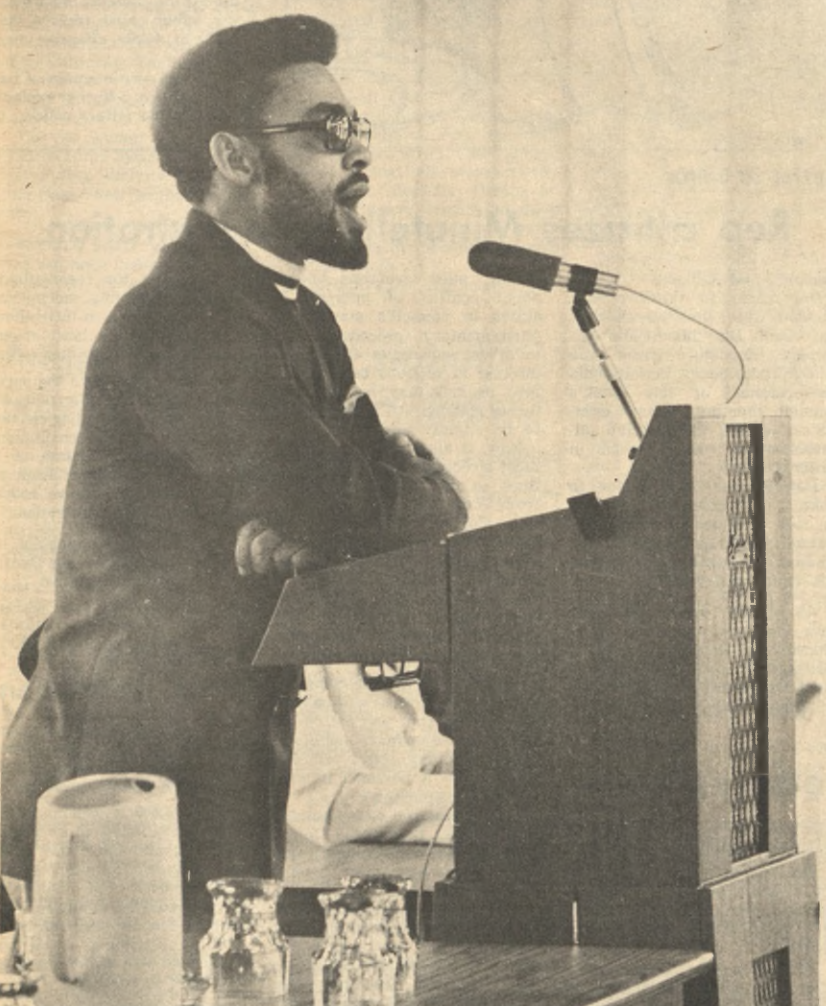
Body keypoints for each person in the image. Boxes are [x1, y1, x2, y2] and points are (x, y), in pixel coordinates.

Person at [1, 14, 467, 925]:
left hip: (223, 750)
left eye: (360, 129)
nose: (358, 155)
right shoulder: (186, 314)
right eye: (330, 132)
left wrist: (335, 525)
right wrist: (422, 495)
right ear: (235, 157)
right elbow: (355, 510)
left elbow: (345, 517)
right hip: (118, 777)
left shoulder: (297, 316)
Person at [287, 663, 454, 847]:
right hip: (313, 861)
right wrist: (471, 799)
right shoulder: (298, 649)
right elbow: (329, 804)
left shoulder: (363, 640)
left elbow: (419, 750)